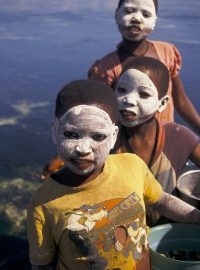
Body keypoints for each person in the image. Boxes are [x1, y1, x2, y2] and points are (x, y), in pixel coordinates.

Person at [27, 80, 200, 270]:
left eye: (98, 137)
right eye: (71, 134)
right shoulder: (43, 203)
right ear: (55, 131)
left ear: (113, 136)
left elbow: (163, 201)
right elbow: (42, 265)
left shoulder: (132, 165)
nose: (83, 149)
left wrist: (197, 216)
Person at [88, 0, 200, 133]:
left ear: (154, 21)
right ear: (117, 15)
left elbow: (180, 101)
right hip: (126, 146)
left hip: (165, 140)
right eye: (129, 11)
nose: (136, 18)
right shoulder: (106, 67)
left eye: (146, 14)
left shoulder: (167, 52)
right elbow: (100, 114)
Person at [113, 56, 200, 225]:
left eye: (144, 94)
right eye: (122, 90)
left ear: (162, 103)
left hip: (166, 234)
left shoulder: (179, 136)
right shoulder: (106, 138)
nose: (128, 100)